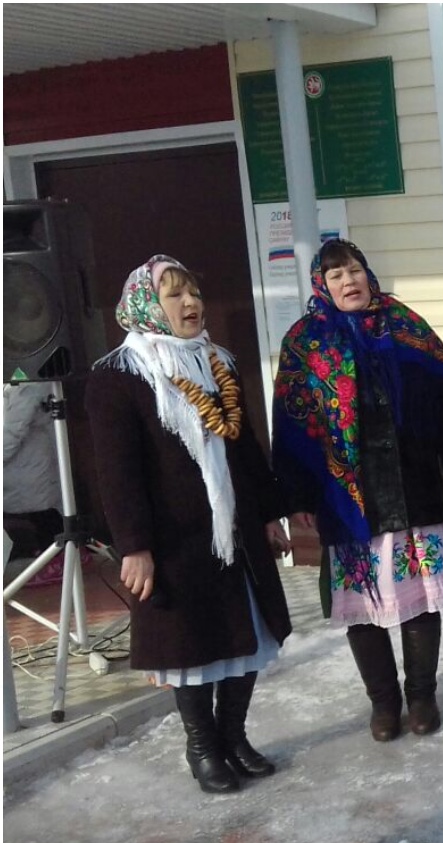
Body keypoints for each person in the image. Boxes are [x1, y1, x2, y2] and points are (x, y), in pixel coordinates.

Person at [87, 256, 293, 794]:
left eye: (193, 292)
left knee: (249, 635)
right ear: (147, 307)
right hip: (175, 541)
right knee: (193, 645)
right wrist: (134, 546)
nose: (191, 303)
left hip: (235, 531)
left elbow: (246, 448)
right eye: (175, 295)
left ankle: (233, 736)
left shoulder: (218, 360)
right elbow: (117, 472)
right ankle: (202, 746)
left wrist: (268, 514)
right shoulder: (119, 376)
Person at [272, 239, 443, 742]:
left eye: (355, 270)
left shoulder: (405, 326)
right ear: (322, 284)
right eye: (336, 274)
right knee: (363, 607)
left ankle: (422, 696)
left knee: (419, 600)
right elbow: (292, 423)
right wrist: (295, 495)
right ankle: (384, 704)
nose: (349, 281)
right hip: (348, 499)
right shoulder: (305, 343)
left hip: (412, 487)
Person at [3, 381, 63, 566]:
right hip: (20, 465)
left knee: (42, 513)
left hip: (30, 464)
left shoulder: (27, 382)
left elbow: (14, 428)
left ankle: (56, 561)